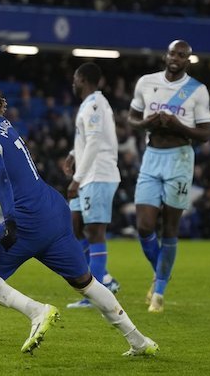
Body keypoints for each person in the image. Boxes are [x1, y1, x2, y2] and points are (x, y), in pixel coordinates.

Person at [0, 83, 157, 356]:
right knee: (86, 283)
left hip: (27, 219)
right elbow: (8, 174)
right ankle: (139, 341)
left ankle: (36, 311)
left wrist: (10, 219)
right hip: (54, 211)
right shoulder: (0, 123)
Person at [128, 40, 210, 313]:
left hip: (180, 159)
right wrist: (146, 124)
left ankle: (159, 293)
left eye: (182, 55)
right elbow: (132, 118)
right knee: (144, 226)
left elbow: (205, 133)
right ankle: (162, 272)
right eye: (173, 53)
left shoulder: (197, 91)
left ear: (189, 60)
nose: (176, 58)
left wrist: (178, 125)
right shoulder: (146, 82)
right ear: (165, 55)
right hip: (152, 157)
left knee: (170, 229)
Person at [62, 62, 121, 308]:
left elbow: (96, 142)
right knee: (75, 225)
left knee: (95, 232)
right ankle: (104, 279)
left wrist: (77, 179)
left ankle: (98, 291)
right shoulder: (88, 105)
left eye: (75, 77)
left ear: (83, 79)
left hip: (98, 175)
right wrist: (74, 153)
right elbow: (87, 140)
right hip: (89, 175)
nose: (73, 82)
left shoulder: (95, 105)